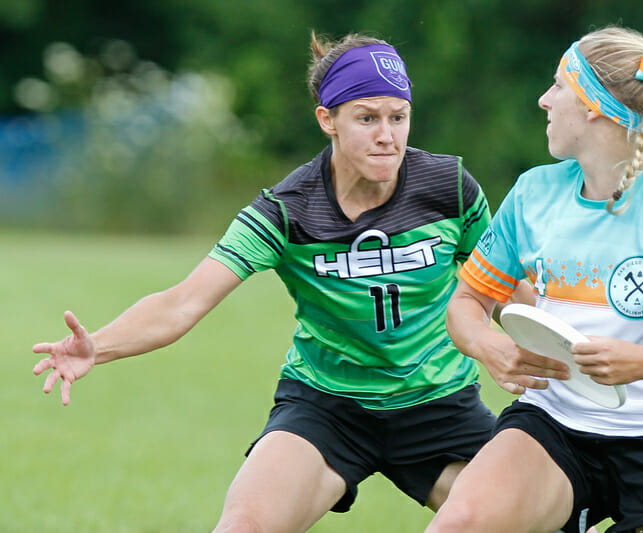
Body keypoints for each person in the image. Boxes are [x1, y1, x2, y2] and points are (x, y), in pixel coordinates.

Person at [32, 32, 498, 532]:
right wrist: (96, 347)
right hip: (328, 409)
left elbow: (506, 287)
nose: (387, 135)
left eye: (397, 117)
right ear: (328, 120)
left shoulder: (449, 188)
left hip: (439, 406)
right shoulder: (286, 209)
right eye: (366, 118)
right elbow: (183, 302)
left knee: (535, 519)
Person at [426, 26, 643, 533]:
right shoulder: (531, 194)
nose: (544, 100)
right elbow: (467, 301)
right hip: (555, 429)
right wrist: (489, 345)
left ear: (591, 105)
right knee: (456, 524)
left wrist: (640, 363)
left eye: (558, 86)